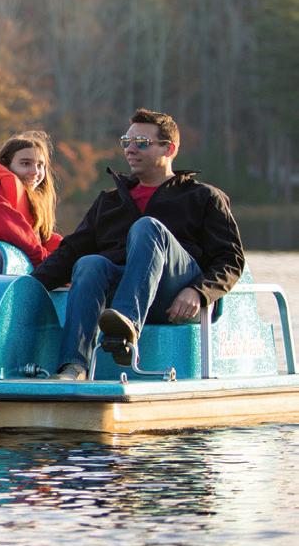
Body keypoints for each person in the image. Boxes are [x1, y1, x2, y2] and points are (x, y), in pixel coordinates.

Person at [31, 108, 245, 381]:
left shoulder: (204, 197)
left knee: (148, 228)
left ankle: (126, 325)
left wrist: (198, 291)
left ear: (169, 149)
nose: (130, 149)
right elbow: (70, 252)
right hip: (121, 295)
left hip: (174, 294)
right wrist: (25, 288)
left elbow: (231, 260)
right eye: (126, 142)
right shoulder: (109, 201)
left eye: (141, 143)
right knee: (89, 263)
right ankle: (73, 367)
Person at [0, 130, 63, 264]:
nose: (35, 172)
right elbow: (9, 229)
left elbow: (43, 238)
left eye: (40, 165)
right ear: (5, 165)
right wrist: (51, 263)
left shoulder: (28, 200)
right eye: (25, 163)